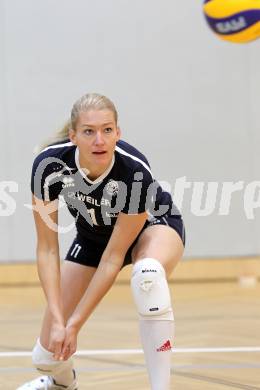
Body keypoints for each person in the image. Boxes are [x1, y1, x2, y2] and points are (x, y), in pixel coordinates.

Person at [18, 93, 185, 390]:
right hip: (93, 239)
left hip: (152, 227)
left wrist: (75, 325)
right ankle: (61, 384)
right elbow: (46, 249)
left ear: (118, 133)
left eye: (108, 130)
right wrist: (59, 321)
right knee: (46, 355)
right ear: (73, 136)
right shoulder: (49, 166)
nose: (99, 140)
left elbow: (114, 256)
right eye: (89, 131)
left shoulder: (134, 171)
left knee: (148, 275)